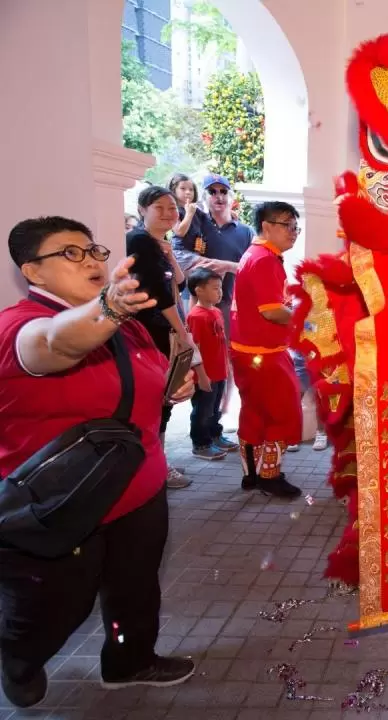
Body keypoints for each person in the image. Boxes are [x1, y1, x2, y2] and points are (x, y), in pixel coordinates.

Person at [0, 217, 196, 708]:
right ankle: (19, 658)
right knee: (56, 604)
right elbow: (54, 345)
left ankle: (129, 662)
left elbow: (140, 383)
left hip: (139, 489)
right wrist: (108, 306)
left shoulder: (121, 323)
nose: (90, 259)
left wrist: (172, 388)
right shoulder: (20, 326)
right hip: (64, 500)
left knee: (134, 589)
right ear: (33, 272)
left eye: (92, 250)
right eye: (69, 253)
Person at [231, 201, 303, 498]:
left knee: (254, 413)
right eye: (287, 225)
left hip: (249, 351)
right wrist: (305, 324)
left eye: (295, 226)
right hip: (265, 352)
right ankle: (270, 475)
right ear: (266, 226)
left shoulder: (257, 255)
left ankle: (252, 475)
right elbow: (272, 311)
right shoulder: (264, 260)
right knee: (283, 414)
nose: (293, 232)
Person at [128, 186, 195, 490]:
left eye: (173, 208)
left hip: (161, 330)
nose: (169, 213)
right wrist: (183, 335)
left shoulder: (158, 243)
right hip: (150, 333)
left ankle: (159, 460)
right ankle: (155, 467)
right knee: (159, 398)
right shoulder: (139, 241)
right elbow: (159, 295)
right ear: (142, 209)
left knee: (164, 399)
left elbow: (180, 284)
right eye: (160, 207)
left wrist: (170, 255)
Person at [171, 174, 255, 333]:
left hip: (230, 307)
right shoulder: (193, 224)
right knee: (196, 354)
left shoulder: (246, 232)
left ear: (230, 197)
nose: (219, 196)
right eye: (212, 192)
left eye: (223, 191)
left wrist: (227, 266)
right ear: (203, 197)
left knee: (225, 355)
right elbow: (178, 261)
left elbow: (255, 271)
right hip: (195, 305)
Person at [186, 268, 239, 460]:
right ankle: (200, 444)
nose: (220, 292)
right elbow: (194, 348)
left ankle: (215, 435)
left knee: (214, 408)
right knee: (202, 410)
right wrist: (201, 376)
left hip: (219, 371)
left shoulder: (215, 311)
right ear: (199, 290)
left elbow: (220, 341)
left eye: (220, 288)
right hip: (205, 374)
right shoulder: (196, 316)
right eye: (215, 288)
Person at [287, 348, 329, 453]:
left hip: (320, 354)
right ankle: (293, 434)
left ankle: (321, 432)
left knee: (320, 396)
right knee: (295, 397)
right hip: (300, 358)